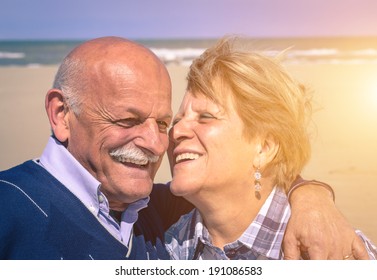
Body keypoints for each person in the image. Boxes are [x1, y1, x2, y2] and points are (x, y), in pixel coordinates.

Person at [0, 36, 369, 260]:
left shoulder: (158, 216)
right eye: (128, 120)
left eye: (162, 122)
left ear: (266, 146)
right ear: (62, 114)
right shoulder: (169, 230)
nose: (167, 136)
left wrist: (311, 195)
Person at [165, 37, 377, 260]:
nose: (176, 132)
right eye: (176, 120)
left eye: (205, 117)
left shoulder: (333, 252)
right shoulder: (163, 243)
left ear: (264, 148)